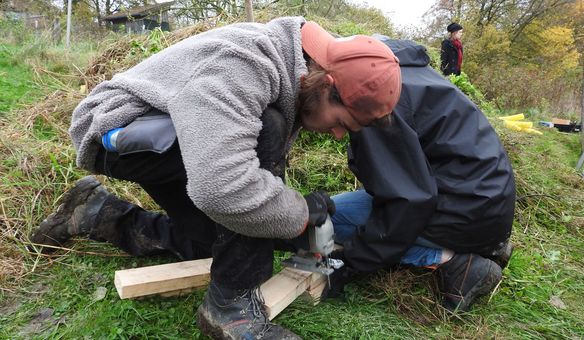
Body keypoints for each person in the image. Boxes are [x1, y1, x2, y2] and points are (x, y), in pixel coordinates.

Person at [30, 17, 401, 339]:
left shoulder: (298, 71)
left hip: (171, 131)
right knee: (263, 136)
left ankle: (95, 212)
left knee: (217, 241)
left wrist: (277, 217)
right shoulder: (247, 63)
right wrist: (299, 212)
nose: (337, 135)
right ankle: (230, 307)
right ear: (326, 83)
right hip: (116, 126)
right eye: (341, 123)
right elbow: (222, 186)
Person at [326, 38, 515, 312]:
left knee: (333, 222)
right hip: (482, 204)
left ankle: (457, 262)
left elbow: (407, 204)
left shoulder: (374, 96)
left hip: (462, 210)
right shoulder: (412, 73)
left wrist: (352, 264)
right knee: (336, 213)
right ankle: (486, 244)